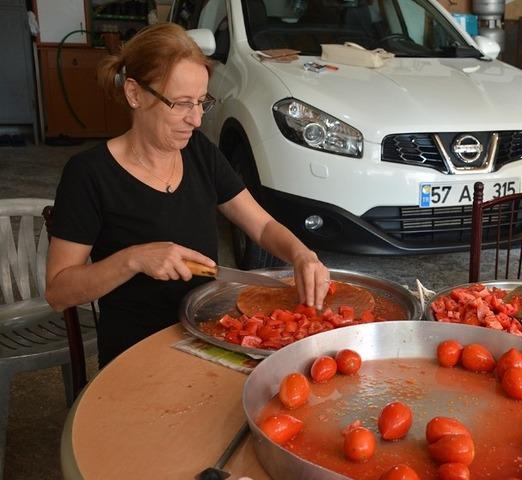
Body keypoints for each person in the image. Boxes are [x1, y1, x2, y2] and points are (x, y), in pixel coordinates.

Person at [45, 23, 330, 366]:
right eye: (180, 104)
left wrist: (301, 254)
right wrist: (133, 259)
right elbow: (59, 292)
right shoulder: (89, 174)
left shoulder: (199, 152)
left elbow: (262, 227)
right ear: (135, 94)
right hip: (137, 353)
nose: (195, 120)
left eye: (201, 103)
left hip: (207, 335)